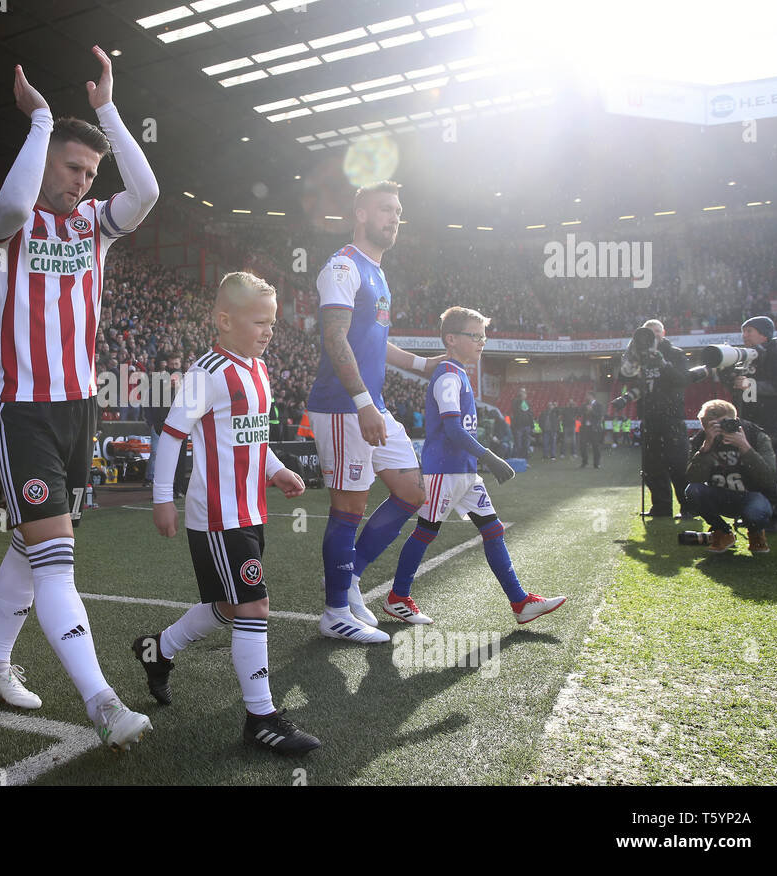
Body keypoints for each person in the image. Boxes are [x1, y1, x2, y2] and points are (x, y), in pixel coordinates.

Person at [0, 47, 158, 750]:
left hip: (79, 407)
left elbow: (146, 196)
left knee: (28, 546)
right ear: (45, 157)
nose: (82, 182)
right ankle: (103, 702)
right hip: (21, 407)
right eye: (72, 167)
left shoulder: (94, 225)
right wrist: (43, 118)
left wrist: (108, 108)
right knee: (56, 554)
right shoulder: (2, 222)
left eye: (90, 172)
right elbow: (18, 200)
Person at [132, 272, 320, 755]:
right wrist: (161, 499)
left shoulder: (257, 369)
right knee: (254, 607)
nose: (269, 331)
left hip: (251, 510)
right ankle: (261, 718)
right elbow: (173, 435)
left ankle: (157, 650)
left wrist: (276, 470)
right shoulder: (208, 372)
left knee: (229, 606)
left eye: (273, 323)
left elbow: (252, 438)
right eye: (259, 321)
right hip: (218, 516)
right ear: (224, 320)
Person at [303, 180, 443, 644]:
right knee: (350, 505)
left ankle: (350, 578)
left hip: (371, 404)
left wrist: (424, 365)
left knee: (411, 491)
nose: (394, 218)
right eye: (385, 209)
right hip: (344, 406)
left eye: (399, 211)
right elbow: (335, 339)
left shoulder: (378, 274)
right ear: (360, 214)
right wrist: (363, 404)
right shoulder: (343, 267)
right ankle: (335, 611)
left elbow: (376, 344)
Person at [385, 307, 567, 625]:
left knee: (493, 530)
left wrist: (479, 461)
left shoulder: (459, 374)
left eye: (483, 336)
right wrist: (491, 458)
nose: (482, 342)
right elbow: (453, 430)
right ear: (451, 339)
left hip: (465, 472)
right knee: (426, 533)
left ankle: (520, 603)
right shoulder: (447, 376)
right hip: (445, 471)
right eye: (475, 336)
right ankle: (398, 597)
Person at [721, 317, 777, 533]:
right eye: (743, 331)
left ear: (764, 334)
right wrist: (729, 374)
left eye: (749, 331)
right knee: (749, 469)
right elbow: (736, 387)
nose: (744, 336)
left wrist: (750, 384)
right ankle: (758, 513)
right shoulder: (746, 357)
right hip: (748, 422)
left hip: (770, 423)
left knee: (769, 470)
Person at [616, 319, 691, 518]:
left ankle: (689, 507)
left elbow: (683, 380)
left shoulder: (675, 353)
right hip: (649, 418)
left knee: (678, 465)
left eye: (657, 331)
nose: (655, 334)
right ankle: (661, 507)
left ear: (664, 332)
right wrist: (632, 354)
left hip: (672, 417)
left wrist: (663, 364)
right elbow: (624, 377)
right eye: (650, 331)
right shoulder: (640, 357)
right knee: (652, 467)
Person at [684, 399, 777, 555]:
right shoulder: (702, 438)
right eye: (711, 425)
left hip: (752, 496)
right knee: (693, 491)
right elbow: (693, 478)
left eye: (724, 424)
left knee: (756, 512)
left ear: (735, 420)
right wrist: (706, 448)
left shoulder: (755, 434)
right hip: (719, 494)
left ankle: (756, 532)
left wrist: (744, 446)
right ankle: (722, 532)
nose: (720, 429)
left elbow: (768, 479)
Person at [580, 393, 604, 469]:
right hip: (585, 428)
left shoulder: (599, 405)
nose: (586, 397)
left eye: (587, 395)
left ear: (592, 396)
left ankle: (596, 464)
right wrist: (585, 411)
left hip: (594, 429)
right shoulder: (584, 405)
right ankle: (584, 462)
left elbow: (599, 416)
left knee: (596, 446)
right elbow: (581, 414)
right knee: (583, 445)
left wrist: (591, 410)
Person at [511, 387, 533, 458]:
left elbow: (530, 414)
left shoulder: (528, 402)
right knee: (518, 444)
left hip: (527, 426)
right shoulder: (515, 401)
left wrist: (532, 425)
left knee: (526, 444)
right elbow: (515, 409)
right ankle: (517, 458)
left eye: (524, 392)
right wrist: (521, 399)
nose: (523, 394)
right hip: (518, 426)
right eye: (522, 392)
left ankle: (525, 458)